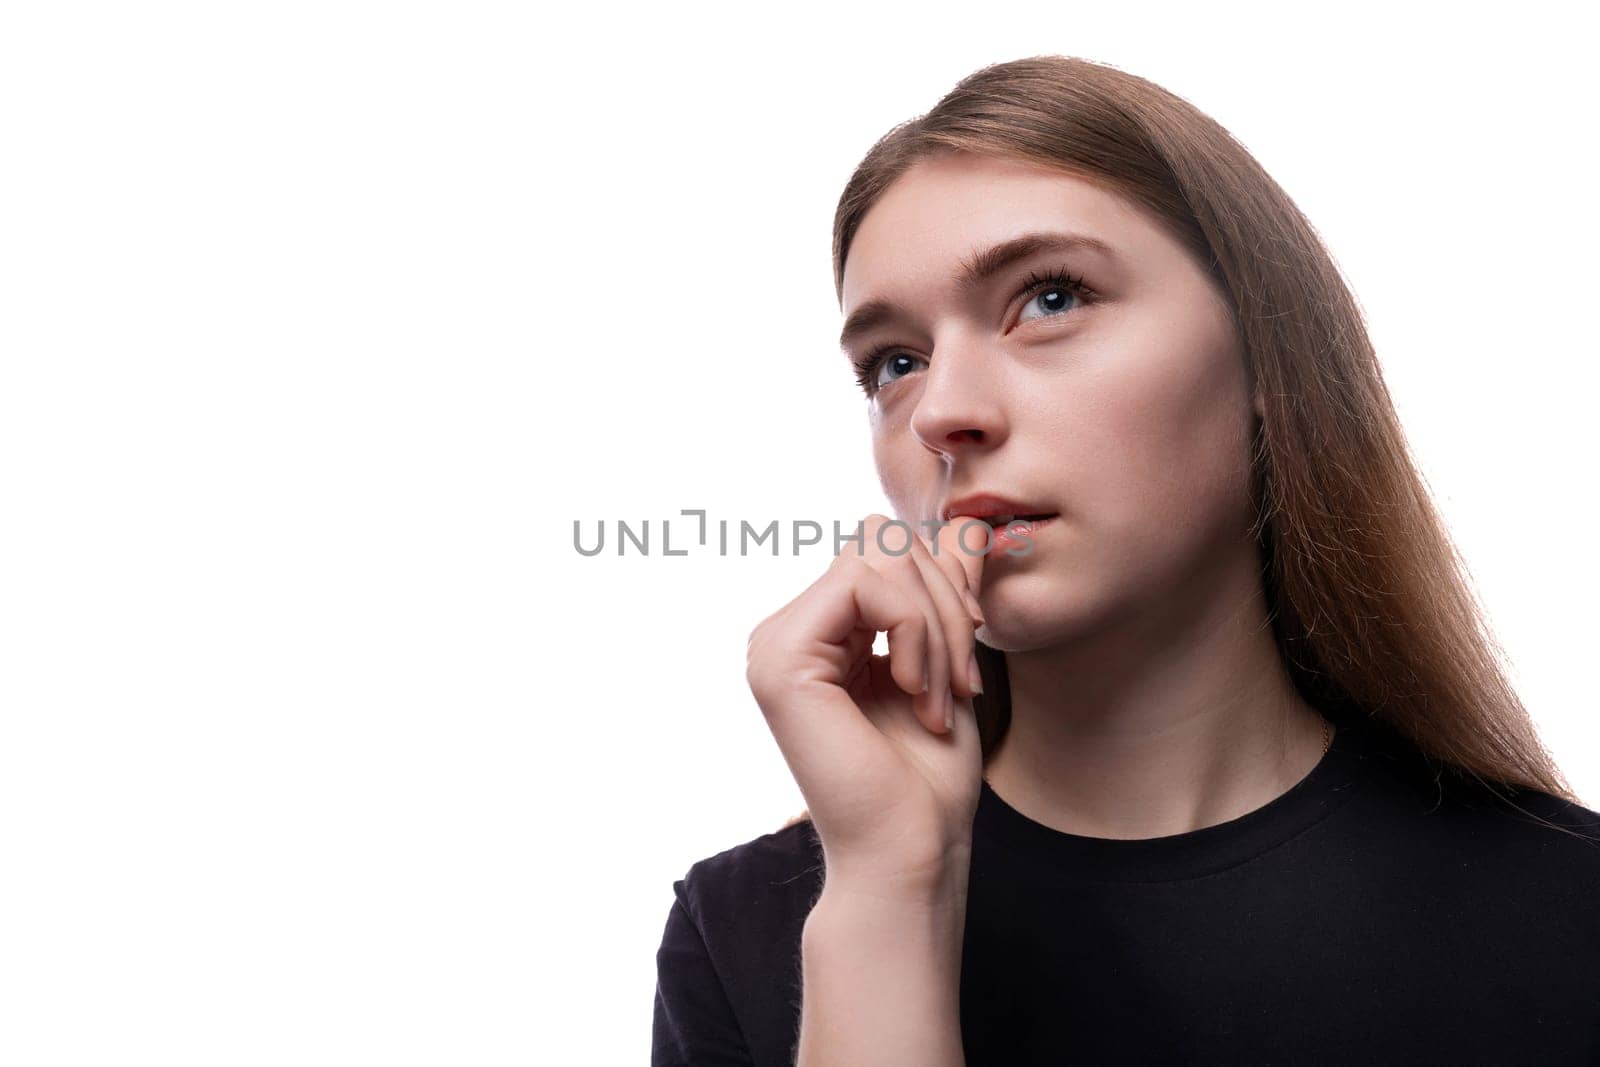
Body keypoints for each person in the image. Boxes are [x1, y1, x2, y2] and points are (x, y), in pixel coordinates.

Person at [651, 55, 1600, 1066]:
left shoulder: (1570, 916)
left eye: (1050, 298)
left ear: (1268, 361)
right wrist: (889, 898)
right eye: (894, 362)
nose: (941, 413)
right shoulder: (749, 931)